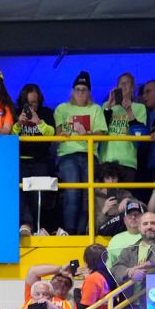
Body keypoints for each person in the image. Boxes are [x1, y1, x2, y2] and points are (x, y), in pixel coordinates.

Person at [55, 71, 108, 235]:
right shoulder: (62, 108)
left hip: (89, 154)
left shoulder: (96, 109)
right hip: (67, 154)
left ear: (89, 92)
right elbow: (57, 134)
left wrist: (86, 134)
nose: (80, 92)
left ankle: (83, 233)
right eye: (77, 89)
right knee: (73, 191)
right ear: (72, 91)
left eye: (84, 89)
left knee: (87, 194)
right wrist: (61, 135)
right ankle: (69, 233)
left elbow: (101, 134)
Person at [14, 83, 56, 236]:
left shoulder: (45, 112)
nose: (31, 107)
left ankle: (37, 228)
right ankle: (25, 225)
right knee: (20, 190)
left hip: (41, 159)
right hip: (20, 159)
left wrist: (38, 122)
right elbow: (10, 137)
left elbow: (52, 134)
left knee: (38, 193)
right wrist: (19, 123)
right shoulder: (16, 112)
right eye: (28, 103)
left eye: (34, 103)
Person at [100, 72, 146, 183]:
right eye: (121, 84)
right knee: (111, 197)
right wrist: (109, 107)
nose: (123, 86)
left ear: (133, 88)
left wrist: (129, 110)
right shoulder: (106, 106)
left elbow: (139, 134)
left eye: (127, 84)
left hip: (128, 161)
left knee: (126, 196)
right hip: (108, 160)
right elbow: (101, 130)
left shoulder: (140, 107)